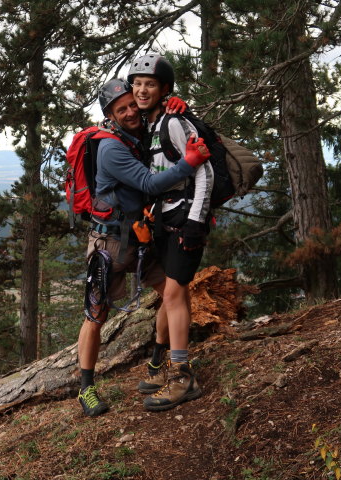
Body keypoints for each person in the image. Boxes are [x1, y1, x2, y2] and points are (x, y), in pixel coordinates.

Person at [76, 78, 211, 417]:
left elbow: (160, 125)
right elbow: (150, 182)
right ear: (110, 114)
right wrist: (188, 164)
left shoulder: (136, 135)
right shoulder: (111, 148)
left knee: (171, 292)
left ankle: (156, 364)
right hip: (107, 244)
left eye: (132, 104)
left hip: (137, 237)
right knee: (96, 314)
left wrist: (174, 103)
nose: (131, 111)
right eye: (122, 109)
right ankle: (86, 389)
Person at [128, 53, 214, 412]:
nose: (142, 89)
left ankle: (182, 377)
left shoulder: (174, 122)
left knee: (175, 293)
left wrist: (196, 222)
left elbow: (204, 172)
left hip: (185, 221)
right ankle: (167, 364)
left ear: (164, 89)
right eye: (137, 84)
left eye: (150, 84)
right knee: (170, 295)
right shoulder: (150, 123)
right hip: (166, 220)